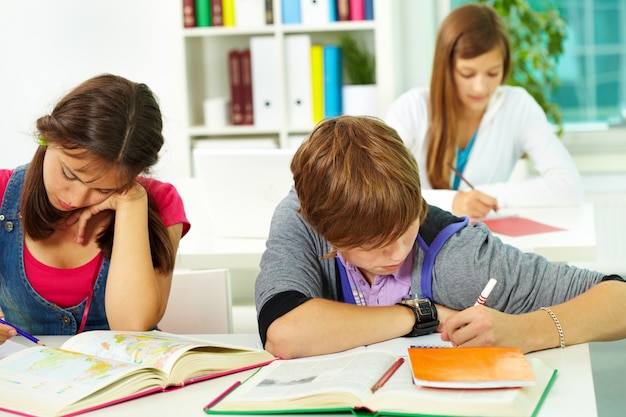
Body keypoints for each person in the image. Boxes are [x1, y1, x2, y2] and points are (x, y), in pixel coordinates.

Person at [255, 115, 626, 359]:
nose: (398, 251)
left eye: (405, 227)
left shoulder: (460, 257)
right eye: (374, 244)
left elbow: (619, 298)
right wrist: (420, 315)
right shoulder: (300, 217)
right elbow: (284, 333)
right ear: (326, 230)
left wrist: (526, 330)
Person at [0, 74, 190, 342]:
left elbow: (133, 327)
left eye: (103, 188)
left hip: (125, 379)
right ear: (46, 137)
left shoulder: (160, 202)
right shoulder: (2, 193)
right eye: (69, 174)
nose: (77, 198)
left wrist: (131, 201)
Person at [385, 3, 583, 219]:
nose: (481, 87)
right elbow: (384, 192)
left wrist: (487, 196)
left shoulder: (518, 106)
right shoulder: (410, 109)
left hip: (482, 245)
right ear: (446, 67)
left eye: (492, 73)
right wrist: (452, 202)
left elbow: (568, 187)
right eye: (467, 74)